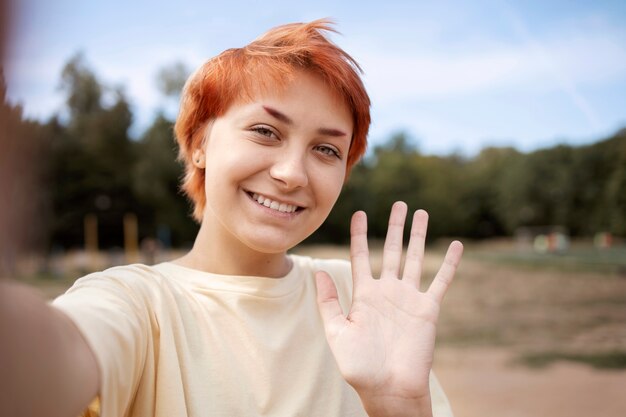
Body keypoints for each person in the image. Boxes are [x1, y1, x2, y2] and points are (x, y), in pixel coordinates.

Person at [0, 19, 463, 417]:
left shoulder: (356, 298)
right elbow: (49, 363)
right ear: (200, 143)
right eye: (265, 131)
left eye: (326, 149)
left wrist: (399, 406)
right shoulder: (137, 303)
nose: (291, 174)